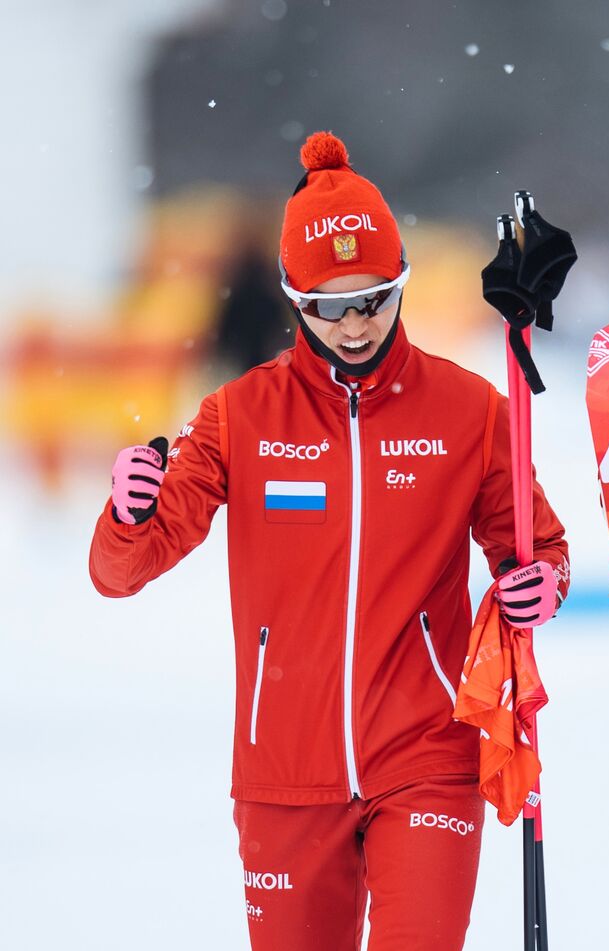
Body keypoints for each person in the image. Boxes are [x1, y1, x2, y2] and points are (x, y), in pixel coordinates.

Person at [89, 131, 571, 951]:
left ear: (403, 285)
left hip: (428, 754)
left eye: (375, 299)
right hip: (282, 770)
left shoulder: (470, 411)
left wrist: (541, 583)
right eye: (329, 306)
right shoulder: (238, 416)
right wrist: (129, 516)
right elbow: (122, 572)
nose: (355, 326)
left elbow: (539, 549)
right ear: (291, 299)